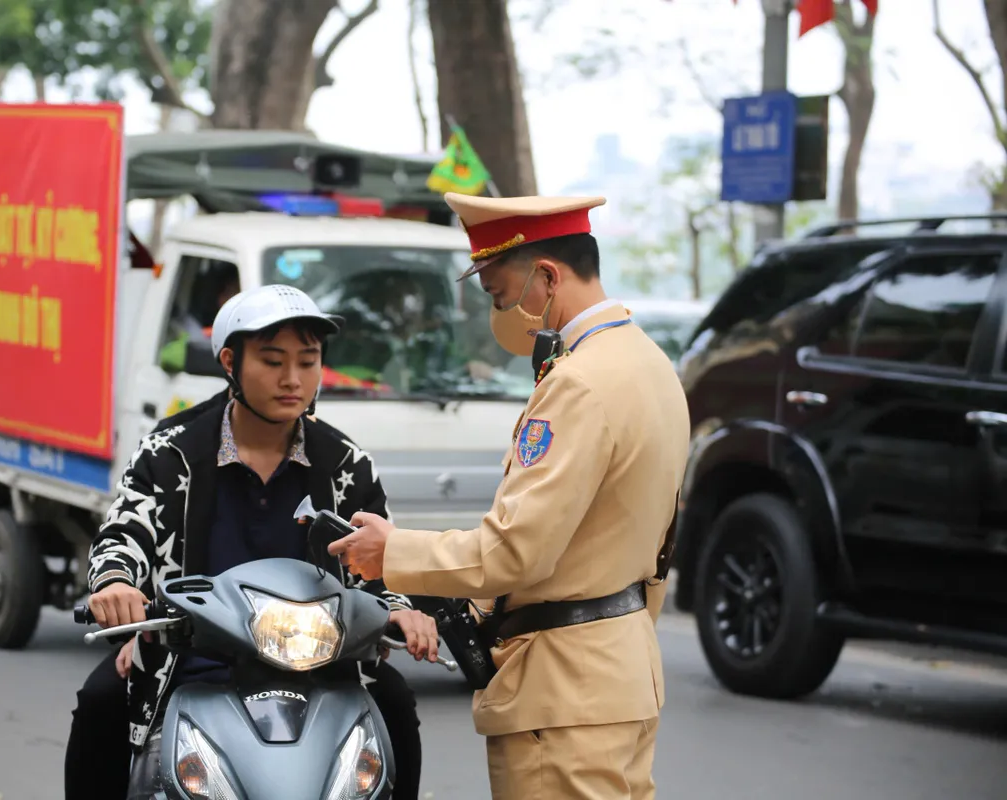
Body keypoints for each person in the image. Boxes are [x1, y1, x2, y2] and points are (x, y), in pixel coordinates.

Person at [327, 193, 691, 799]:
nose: (503, 312)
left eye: (501, 294)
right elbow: (656, 542)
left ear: (546, 278)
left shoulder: (577, 383)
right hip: (622, 671)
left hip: (564, 691)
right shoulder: (649, 363)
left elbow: (514, 553)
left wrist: (391, 550)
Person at [65, 284, 439, 800]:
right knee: (101, 700)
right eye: (272, 360)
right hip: (189, 658)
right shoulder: (170, 452)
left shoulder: (346, 464)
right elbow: (125, 531)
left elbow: (379, 559)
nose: (293, 379)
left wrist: (401, 609)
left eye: (308, 362)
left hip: (320, 663)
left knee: (395, 704)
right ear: (229, 362)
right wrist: (115, 584)